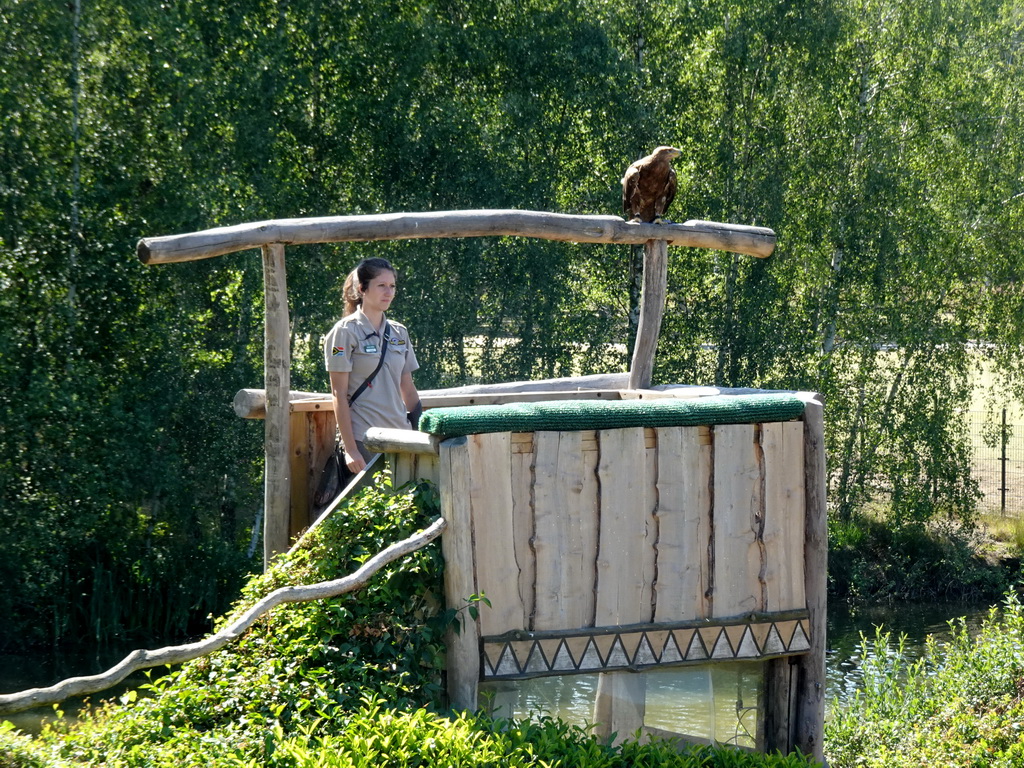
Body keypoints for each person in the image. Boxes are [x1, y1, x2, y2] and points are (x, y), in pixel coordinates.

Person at [323, 257, 421, 474]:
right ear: (362, 289)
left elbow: (408, 388)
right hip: (364, 439)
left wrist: (421, 430)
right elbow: (338, 394)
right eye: (382, 286)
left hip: (402, 437)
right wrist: (350, 450)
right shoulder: (344, 332)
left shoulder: (399, 333)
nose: (389, 292)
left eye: (392, 286)